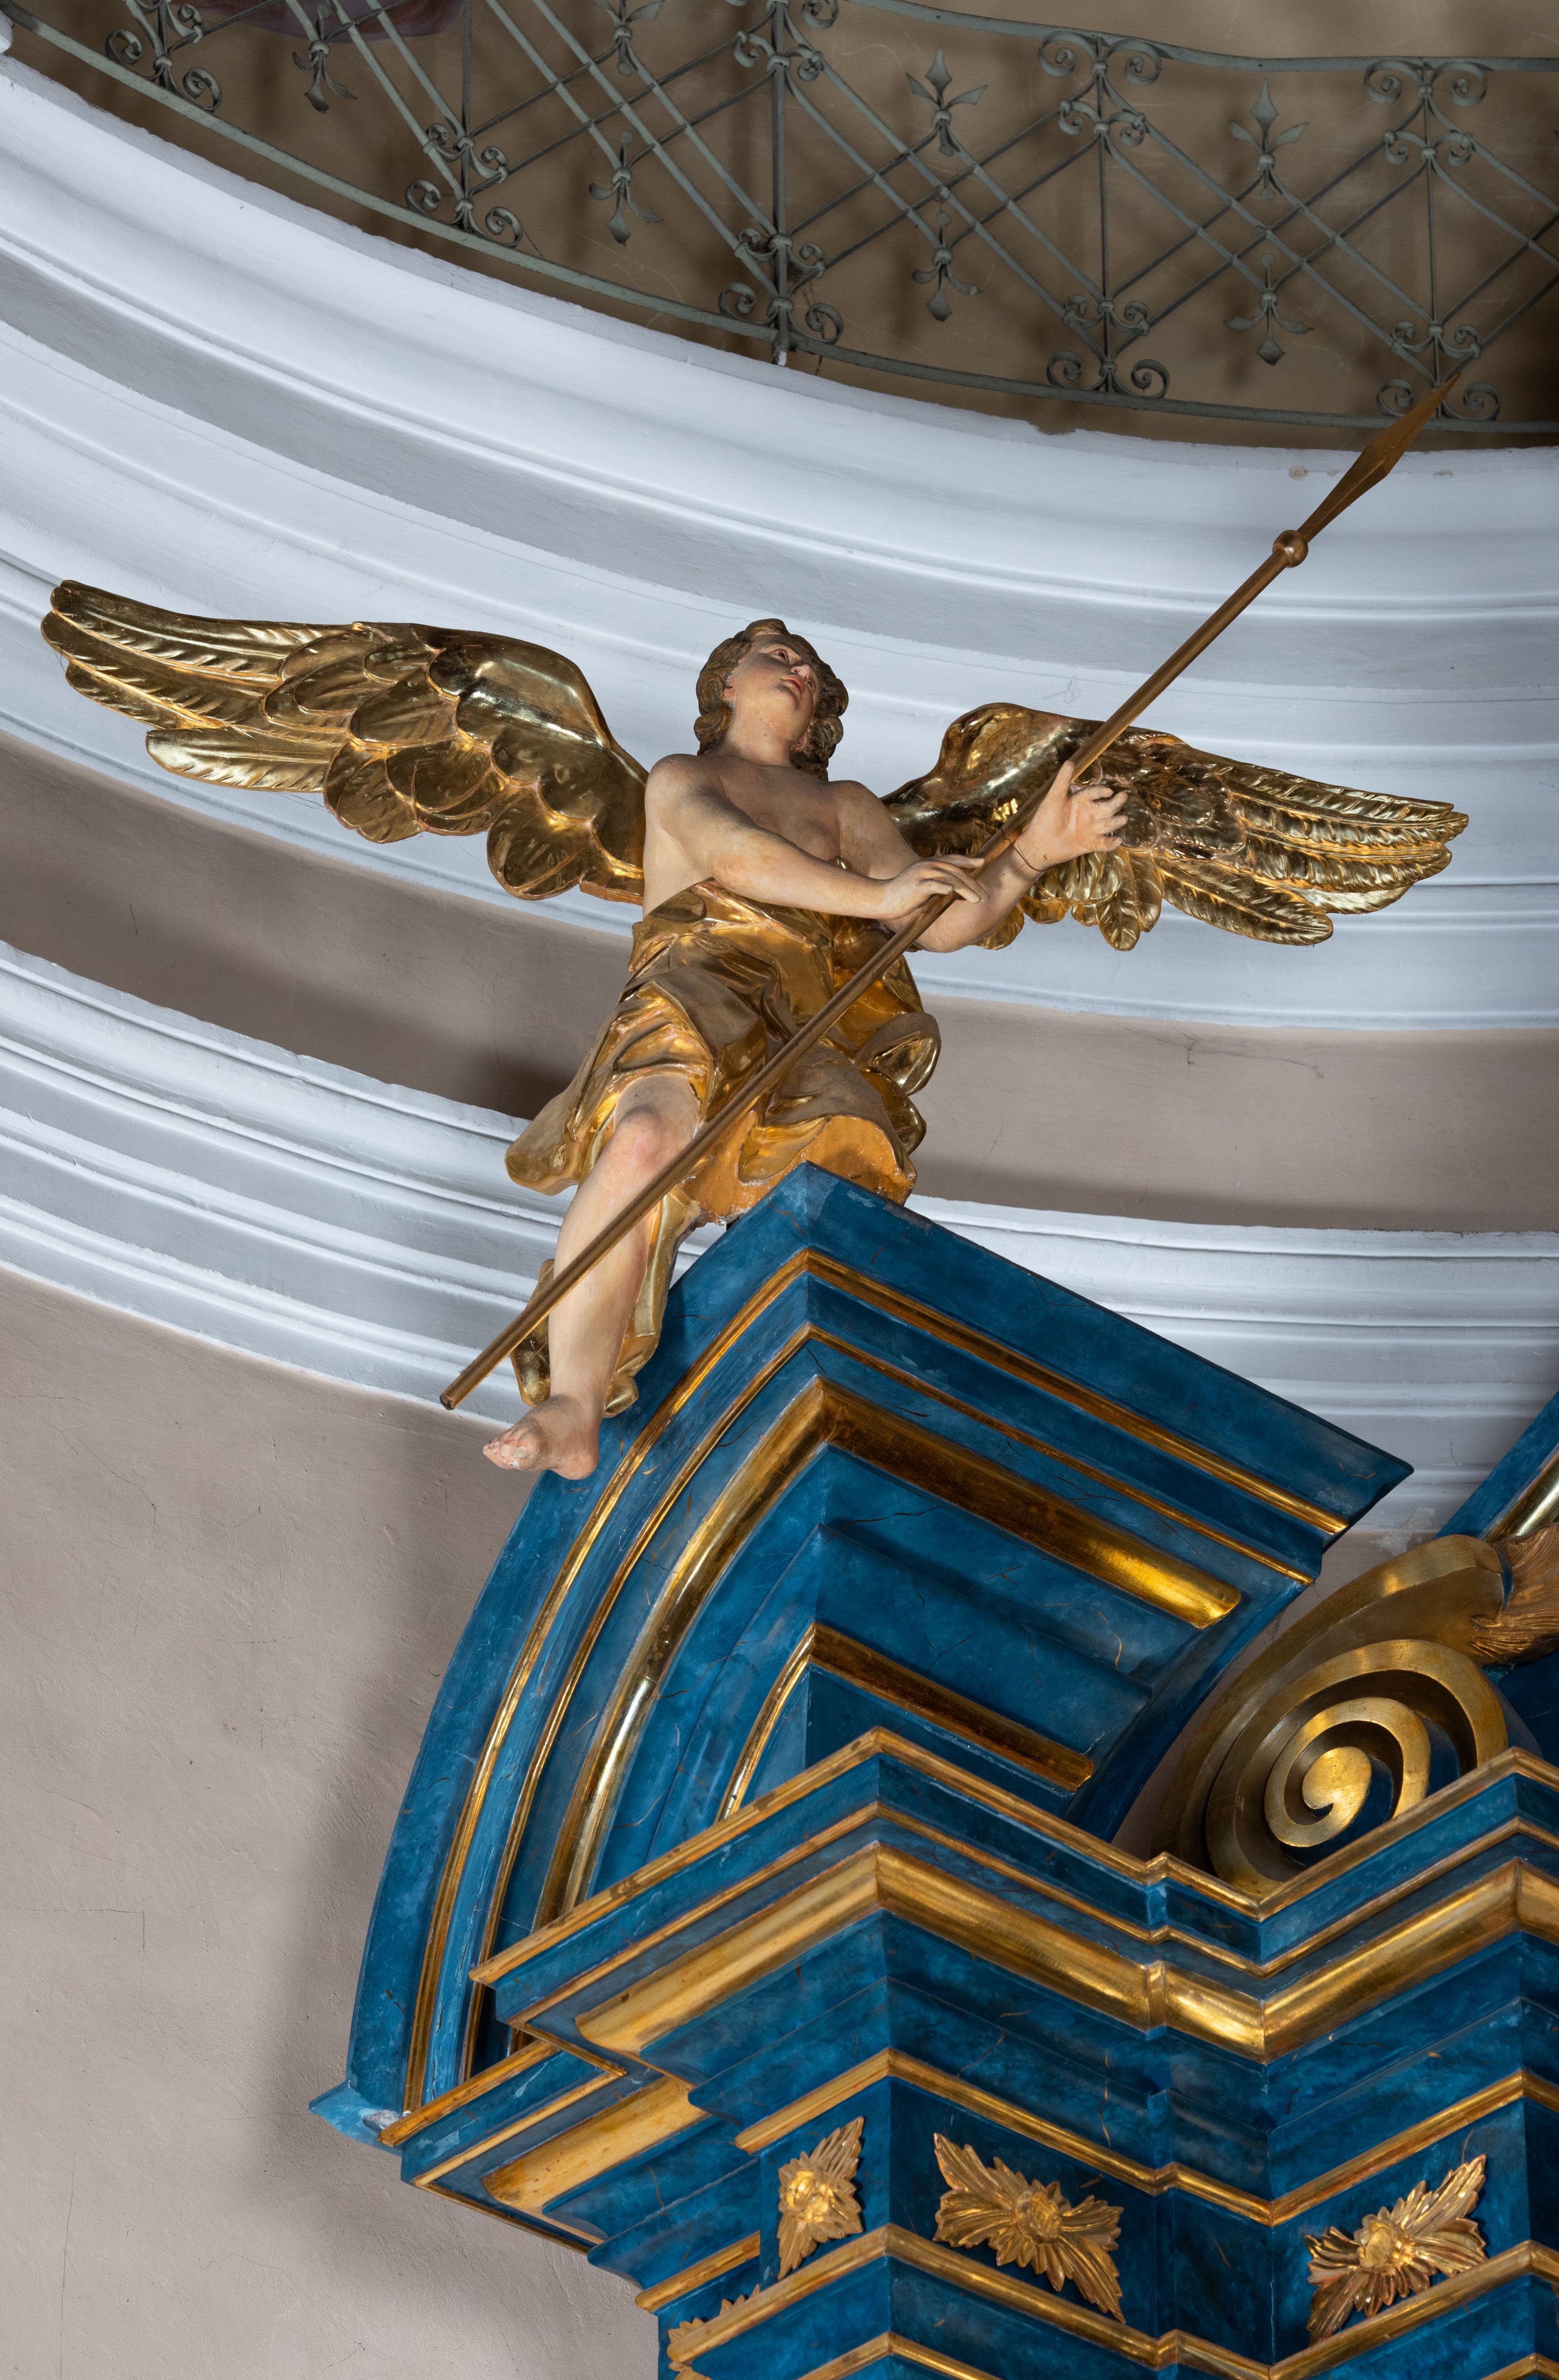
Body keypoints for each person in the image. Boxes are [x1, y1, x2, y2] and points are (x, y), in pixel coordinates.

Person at [482, 620, 1127, 1480]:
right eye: (778, 657)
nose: (800, 671)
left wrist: (1035, 853)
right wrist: (880, 895)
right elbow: (740, 858)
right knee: (642, 1142)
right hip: (694, 990)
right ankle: (575, 1403)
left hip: (802, 1020)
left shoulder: (847, 807)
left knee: (840, 1191)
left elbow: (936, 924)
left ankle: (822, 1399)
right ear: (726, 686)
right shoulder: (684, 778)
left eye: (812, 668)